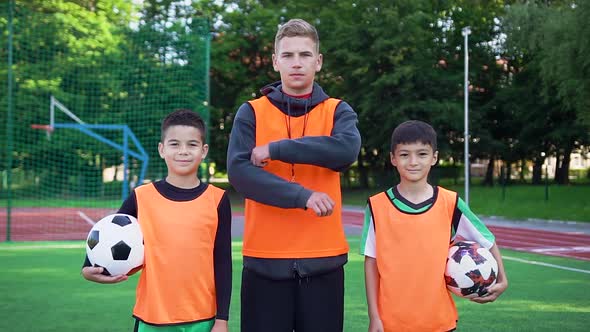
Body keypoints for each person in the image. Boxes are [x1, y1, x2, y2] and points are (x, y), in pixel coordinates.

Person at [227, 18, 361, 332]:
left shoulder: (338, 110)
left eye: (304, 55)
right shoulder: (251, 111)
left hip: (324, 260)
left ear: (319, 61)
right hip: (264, 261)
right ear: (275, 62)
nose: (296, 63)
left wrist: (277, 149)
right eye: (287, 55)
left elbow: (344, 151)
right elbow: (240, 173)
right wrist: (304, 196)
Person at [82, 109, 232, 332]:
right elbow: (110, 233)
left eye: (192, 144)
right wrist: (89, 267)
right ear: (162, 149)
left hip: (203, 317)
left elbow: (222, 262)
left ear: (203, 151)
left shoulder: (218, 199)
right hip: (152, 317)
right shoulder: (141, 197)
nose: (183, 151)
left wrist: (222, 319)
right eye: (174, 144)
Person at [360, 120, 508, 332]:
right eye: (404, 154)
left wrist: (503, 280)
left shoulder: (450, 202)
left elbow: (487, 240)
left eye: (422, 154)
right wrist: (374, 316)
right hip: (391, 321)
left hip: (439, 321)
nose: (413, 162)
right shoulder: (377, 205)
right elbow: (371, 262)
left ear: (434, 157)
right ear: (393, 158)